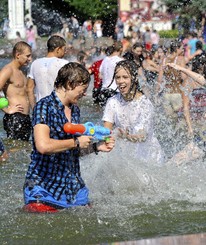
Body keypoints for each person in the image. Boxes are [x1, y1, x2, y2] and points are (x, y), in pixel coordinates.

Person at [23, 62, 115, 213]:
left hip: (72, 188)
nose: (84, 94)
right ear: (70, 84)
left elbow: (73, 150)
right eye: (83, 89)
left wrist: (96, 147)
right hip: (43, 188)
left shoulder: (75, 110)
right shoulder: (44, 107)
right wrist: (76, 142)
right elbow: (43, 146)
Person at [103, 60, 164, 165]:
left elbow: (142, 136)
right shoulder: (112, 102)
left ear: (134, 78)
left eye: (125, 77)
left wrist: (127, 137)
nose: (120, 81)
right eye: (118, 77)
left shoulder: (145, 104)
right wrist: (108, 140)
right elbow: (106, 132)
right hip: (128, 156)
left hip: (150, 157)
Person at [0, 41, 33, 141]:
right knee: (15, 150)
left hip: (26, 117)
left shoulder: (23, 70)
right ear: (18, 55)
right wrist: (7, 109)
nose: (30, 59)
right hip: (14, 117)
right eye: (28, 56)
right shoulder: (8, 70)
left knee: (24, 149)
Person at [27, 35, 69, 107]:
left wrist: (34, 108)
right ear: (58, 49)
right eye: (64, 49)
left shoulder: (35, 63)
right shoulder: (64, 64)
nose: (65, 52)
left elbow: (29, 89)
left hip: (41, 108)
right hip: (58, 108)